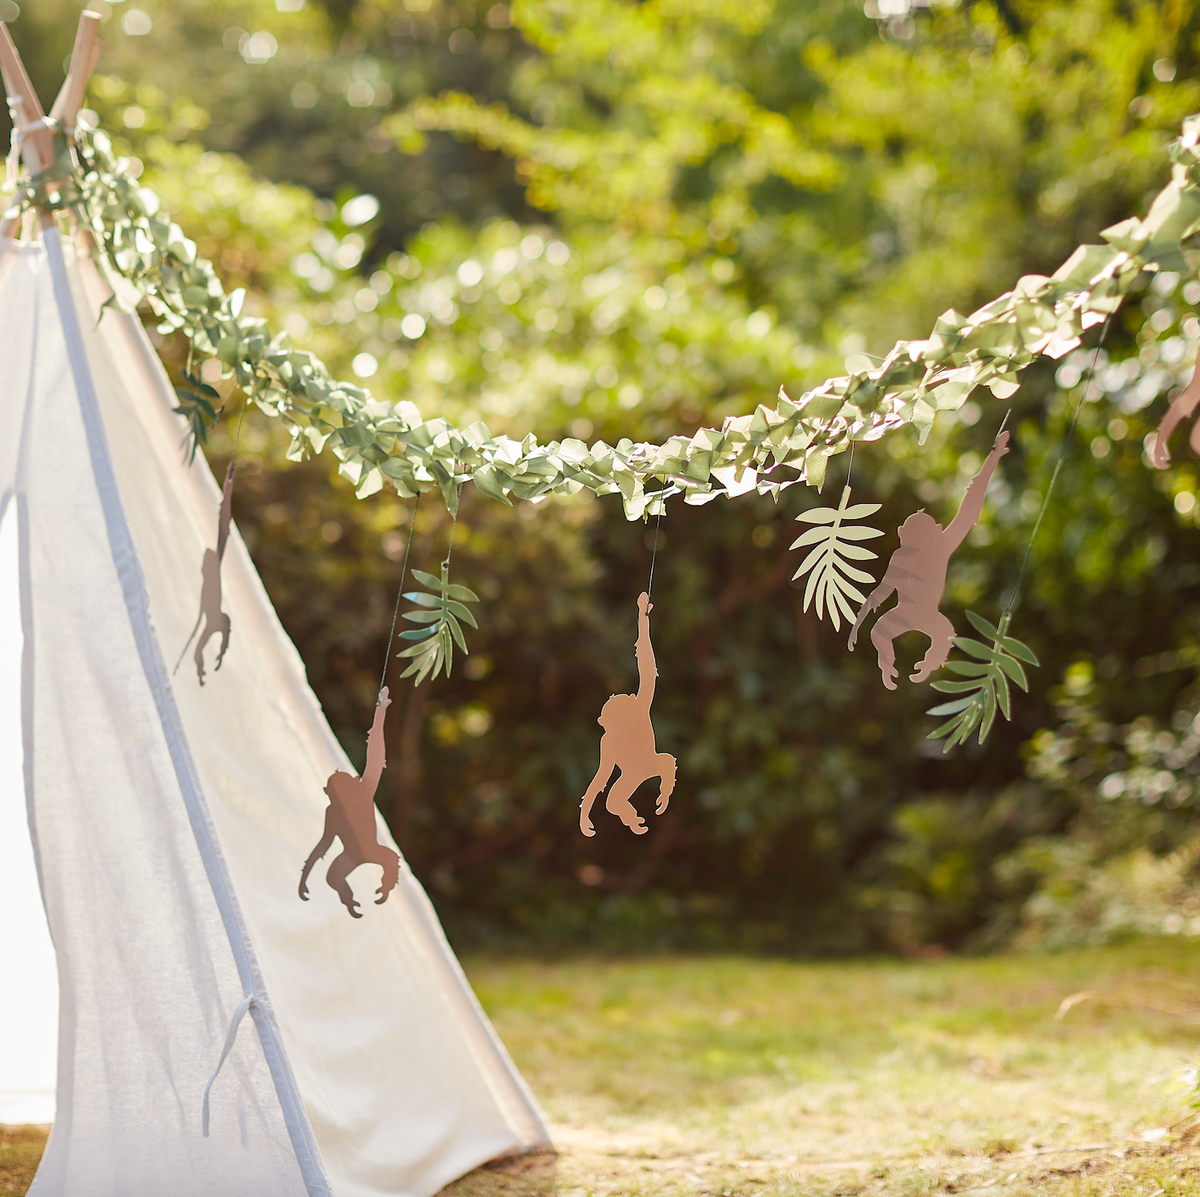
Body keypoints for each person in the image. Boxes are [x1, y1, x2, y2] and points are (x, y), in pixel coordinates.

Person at [849, 430, 1011, 690]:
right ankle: (889, 666)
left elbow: (968, 510)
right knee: (879, 632)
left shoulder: (941, 548)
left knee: (943, 633)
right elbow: (883, 590)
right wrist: (859, 622)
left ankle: (926, 664)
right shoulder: (902, 557)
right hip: (905, 612)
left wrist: (992, 460)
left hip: (926, 614)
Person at [580, 592, 676, 837]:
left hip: (652, 762)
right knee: (613, 802)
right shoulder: (610, 740)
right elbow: (601, 777)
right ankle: (634, 820)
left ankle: (663, 795)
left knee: (665, 762)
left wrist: (642, 622)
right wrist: (585, 812)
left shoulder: (638, 711)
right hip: (634, 773)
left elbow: (646, 668)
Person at [299, 687, 400, 917]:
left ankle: (378, 890)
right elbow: (324, 844)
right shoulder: (333, 811)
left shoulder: (362, 795)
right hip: (352, 854)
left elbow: (375, 758)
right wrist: (306, 876)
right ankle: (350, 903)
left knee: (390, 859)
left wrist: (381, 712)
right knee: (333, 877)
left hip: (371, 850)